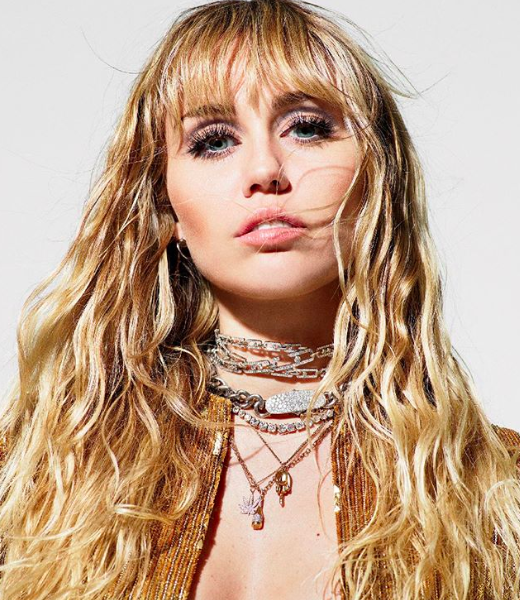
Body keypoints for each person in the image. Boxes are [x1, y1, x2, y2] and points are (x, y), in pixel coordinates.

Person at [1, 0, 519, 598]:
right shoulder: (32, 477)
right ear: (164, 207)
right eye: (214, 141)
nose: (266, 169)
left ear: (378, 177)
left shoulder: (500, 495)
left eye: (307, 128)